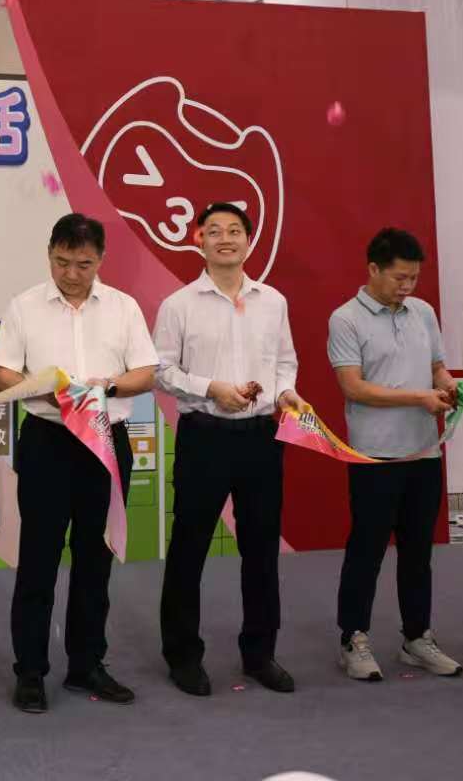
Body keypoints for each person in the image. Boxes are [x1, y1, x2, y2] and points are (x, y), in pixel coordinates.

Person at [0, 213, 156, 712]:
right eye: (62, 262)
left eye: (83, 264)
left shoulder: (123, 308)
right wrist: (47, 390)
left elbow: (145, 372)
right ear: (49, 255)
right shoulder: (24, 306)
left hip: (105, 442)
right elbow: (1, 372)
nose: (71, 274)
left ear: (100, 259)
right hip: (48, 441)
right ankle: (30, 672)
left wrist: (109, 387)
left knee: (94, 559)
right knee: (38, 559)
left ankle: (86, 664)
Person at [155, 202, 303, 697]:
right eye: (214, 230)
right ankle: (182, 656)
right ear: (198, 239)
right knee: (189, 548)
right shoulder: (179, 304)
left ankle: (260, 654)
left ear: (248, 240)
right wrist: (210, 388)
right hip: (204, 435)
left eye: (234, 230)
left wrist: (286, 392)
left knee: (261, 550)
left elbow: (285, 361)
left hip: (261, 437)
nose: (225, 239)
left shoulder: (273, 301)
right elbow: (162, 371)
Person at [329, 228, 463, 682]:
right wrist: (419, 397)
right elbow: (354, 387)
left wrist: (448, 385)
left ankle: (417, 638)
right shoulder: (346, 319)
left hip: (424, 452)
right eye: (399, 278)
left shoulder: (422, 312)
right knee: (366, 550)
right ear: (373, 269)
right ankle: (353, 639)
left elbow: (436, 366)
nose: (407, 286)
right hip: (374, 456)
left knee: (418, 552)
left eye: (413, 278)